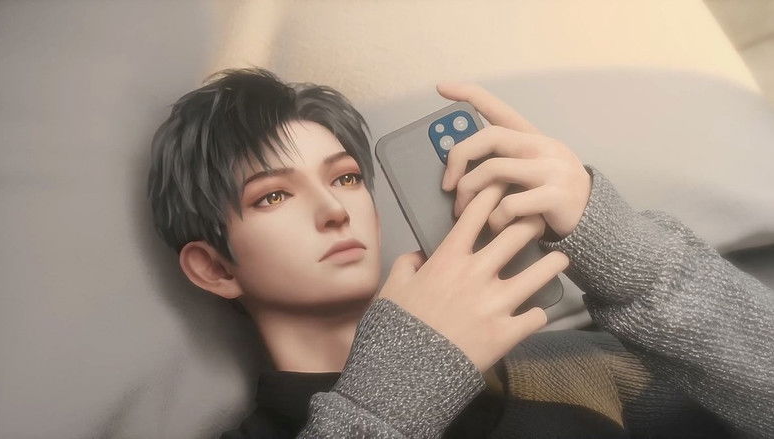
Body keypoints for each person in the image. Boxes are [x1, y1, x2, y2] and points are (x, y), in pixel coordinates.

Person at [146, 67, 773, 438]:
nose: (334, 208)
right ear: (214, 267)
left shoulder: (572, 365)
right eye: (274, 195)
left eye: (345, 178)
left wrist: (631, 260)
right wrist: (398, 390)